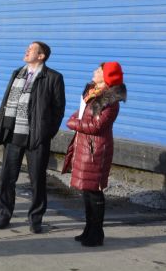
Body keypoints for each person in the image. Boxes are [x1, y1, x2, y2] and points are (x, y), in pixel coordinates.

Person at [0, 41, 65, 232]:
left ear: (41, 56)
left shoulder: (53, 77)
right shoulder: (17, 73)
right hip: (13, 133)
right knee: (7, 178)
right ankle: (4, 215)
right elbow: (6, 101)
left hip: (36, 137)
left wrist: (46, 133)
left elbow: (58, 110)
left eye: (31, 49)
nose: (26, 51)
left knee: (37, 180)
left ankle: (35, 219)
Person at [63, 62, 126, 247]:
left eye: (99, 71)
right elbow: (79, 114)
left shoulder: (110, 101)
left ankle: (97, 233)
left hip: (96, 150)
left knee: (95, 191)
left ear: (107, 76)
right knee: (86, 190)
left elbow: (96, 126)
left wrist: (74, 124)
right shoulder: (92, 93)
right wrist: (75, 120)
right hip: (84, 146)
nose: (94, 72)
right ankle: (88, 229)